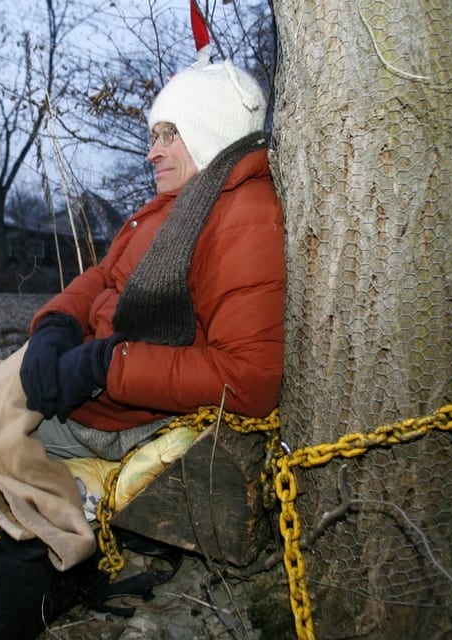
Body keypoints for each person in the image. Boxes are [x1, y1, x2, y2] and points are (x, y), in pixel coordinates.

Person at [19, 58, 286, 461]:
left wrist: (106, 365)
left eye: (168, 134)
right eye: (153, 136)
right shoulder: (177, 205)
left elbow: (248, 379)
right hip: (93, 397)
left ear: (210, 132)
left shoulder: (242, 218)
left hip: (121, 421)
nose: (151, 153)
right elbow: (105, 276)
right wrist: (58, 323)